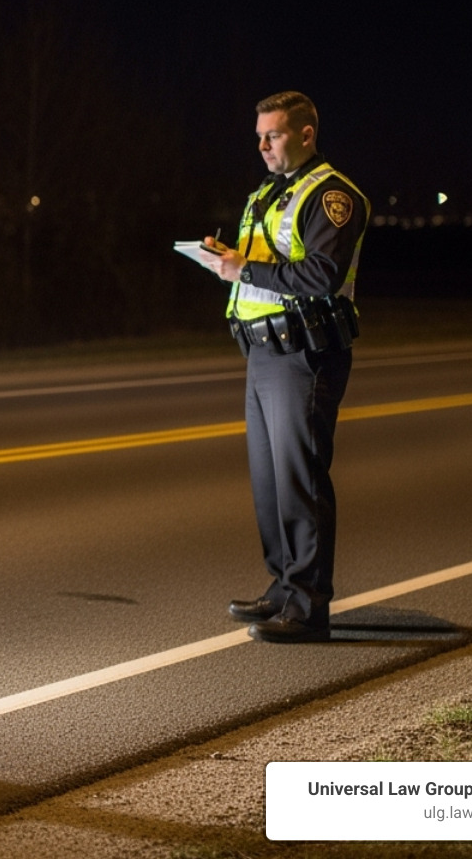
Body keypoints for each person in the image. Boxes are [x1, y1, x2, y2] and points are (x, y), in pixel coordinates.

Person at [194, 91, 368, 644]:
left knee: (301, 478)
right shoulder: (269, 194)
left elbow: (319, 275)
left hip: (305, 352)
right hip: (264, 350)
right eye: (260, 136)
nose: (263, 145)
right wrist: (226, 257)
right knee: (270, 481)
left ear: (306, 133)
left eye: (274, 135)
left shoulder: (332, 194)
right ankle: (283, 586)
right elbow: (265, 265)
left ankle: (310, 606)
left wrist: (242, 268)